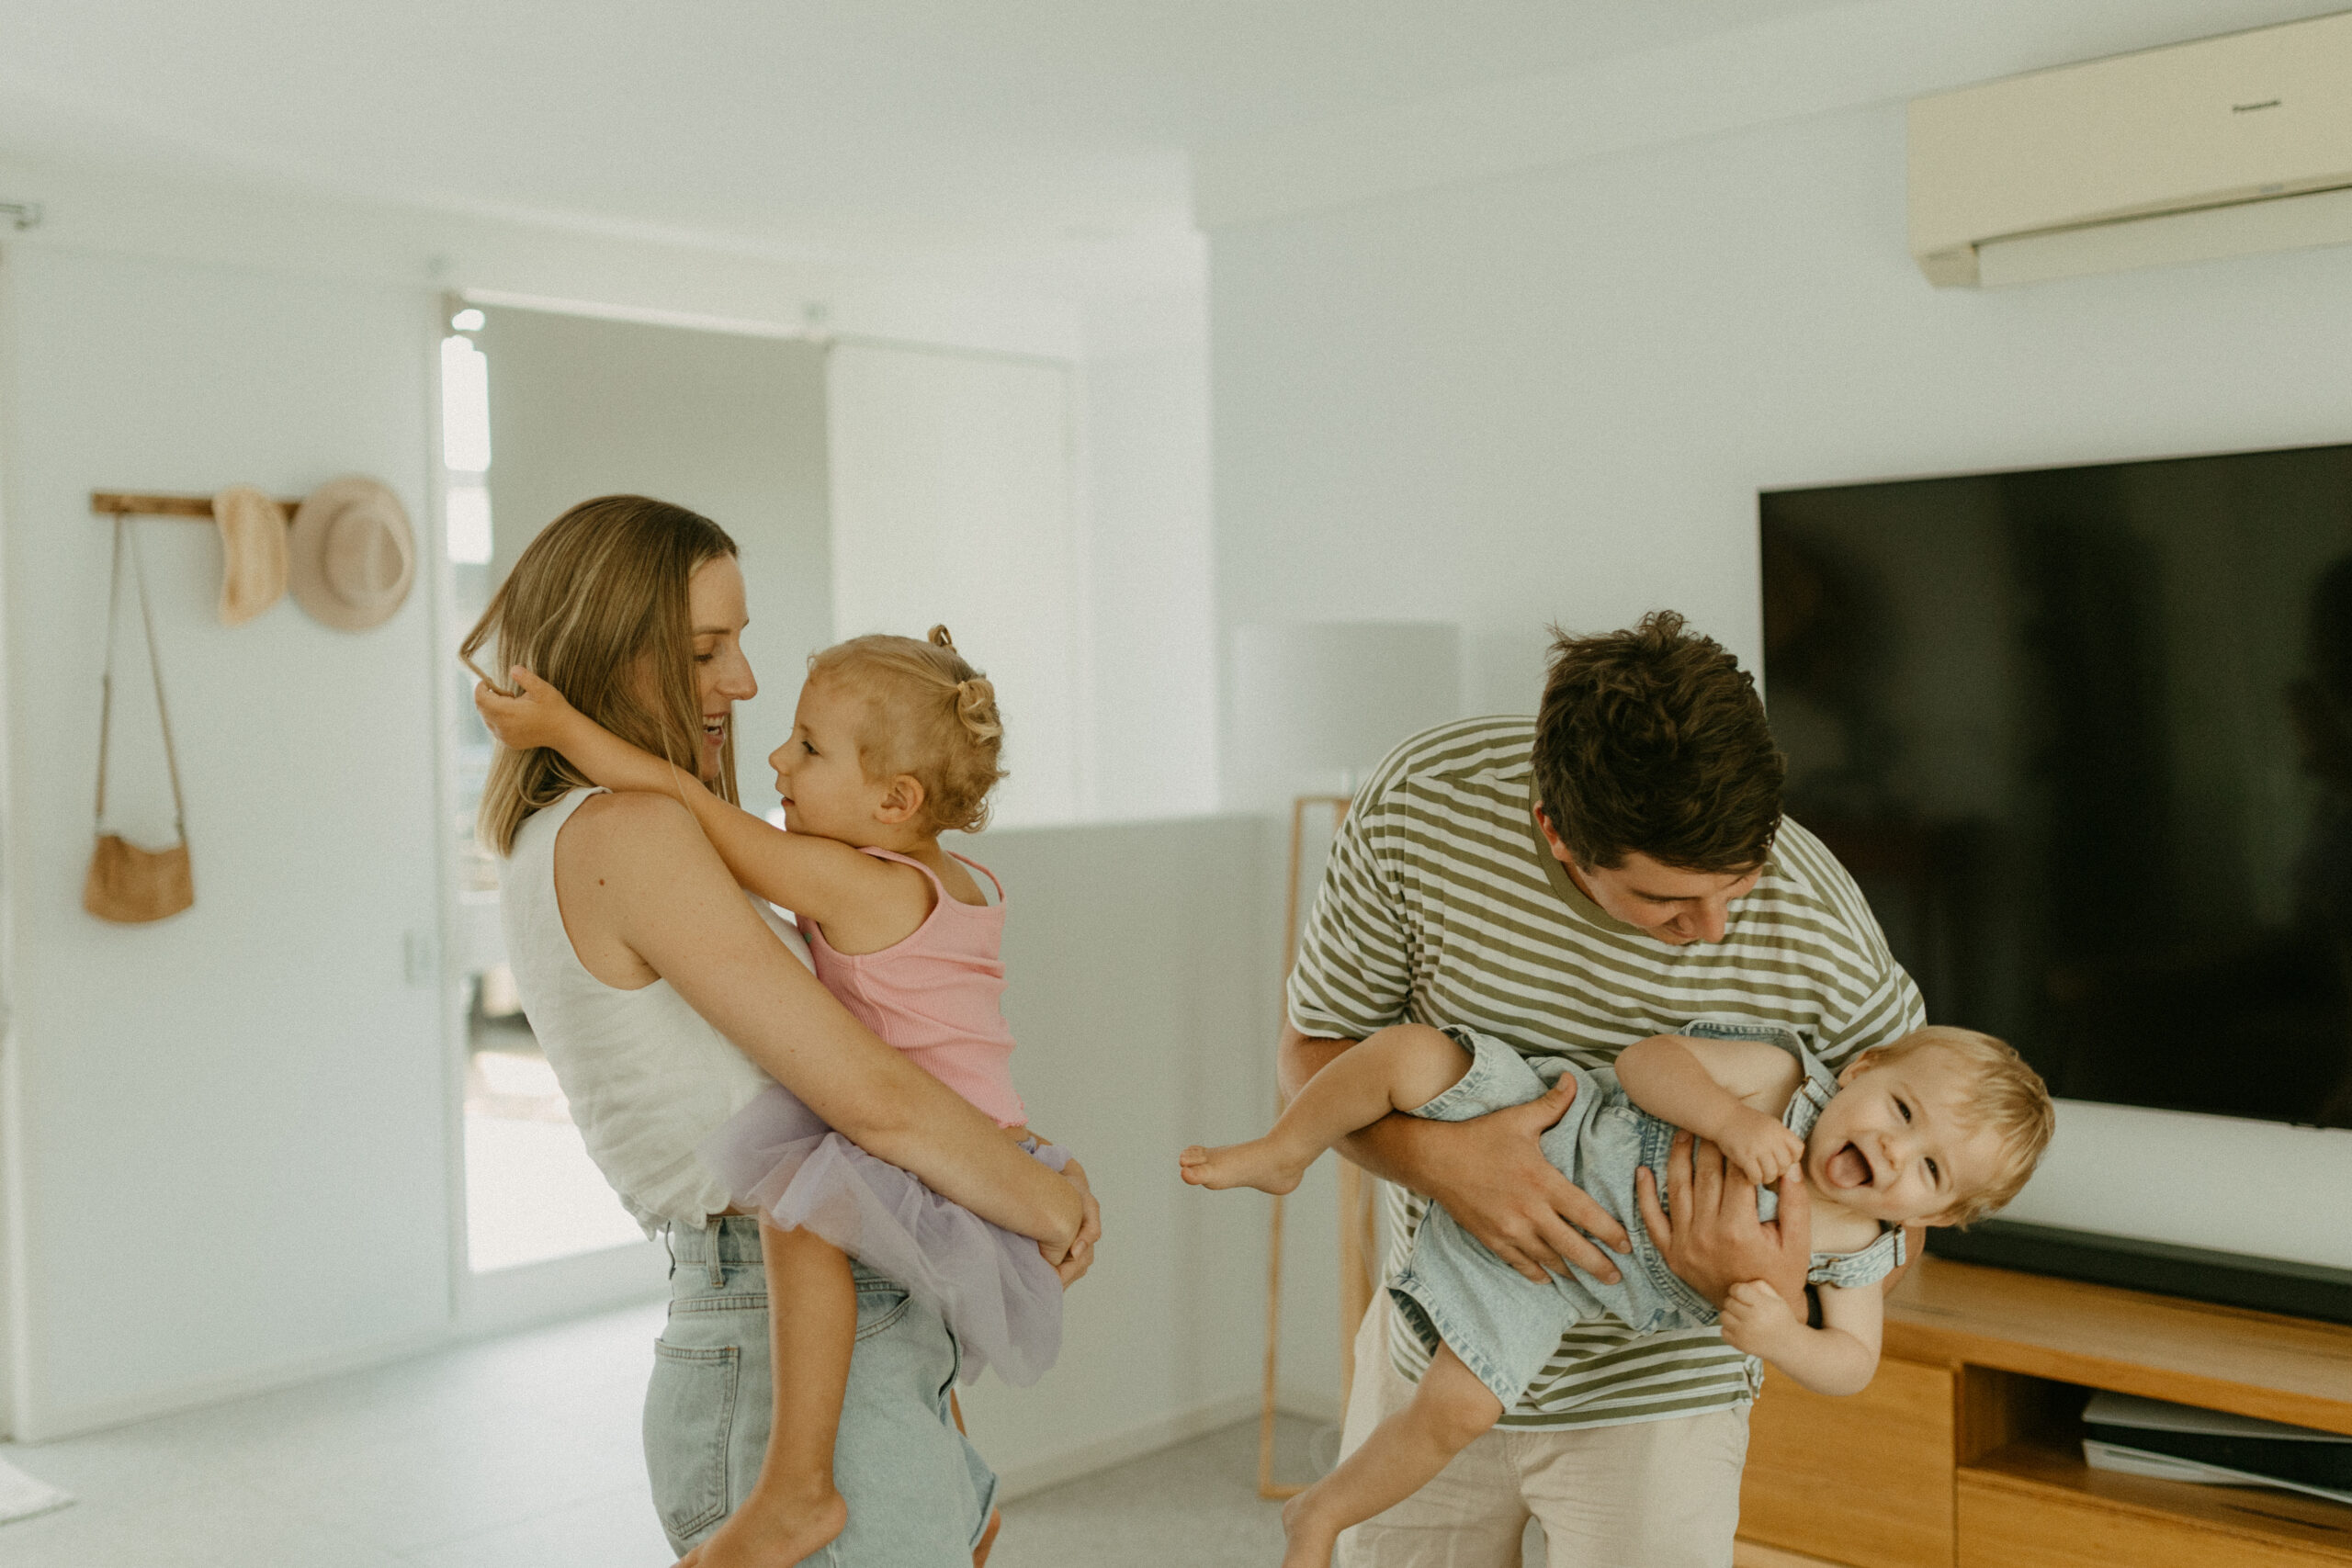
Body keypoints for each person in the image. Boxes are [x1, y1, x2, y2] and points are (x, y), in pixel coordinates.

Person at [465, 496, 1100, 1568]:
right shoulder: (632, 831)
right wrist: (1042, 1195)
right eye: (709, 649)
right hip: (781, 1318)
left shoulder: (601, 834)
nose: (745, 684)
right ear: (615, 654)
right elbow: (867, 1094)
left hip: (840, 1307)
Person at [1281, 610, 1927, 1567]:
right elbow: (1316, 1050)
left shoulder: (1822, 929)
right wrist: (1447, 1164)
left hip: (1662, 1407)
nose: (1710, 932)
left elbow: (1911, 1198)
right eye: (1666, 903)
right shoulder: (1422, 809)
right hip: (1437, 1350)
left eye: (1738, 885)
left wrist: (1777, 1285)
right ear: (1555, 832)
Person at [1185, 1020, 2052, 1565]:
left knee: (1456, 1411)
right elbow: (1648, 1062)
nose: (1896, 1152)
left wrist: (1785, 1334)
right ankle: (1285, 1148)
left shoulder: (1863, 1245)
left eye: (1930, 1168)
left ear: (1940, 1214)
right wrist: (1728, 1119)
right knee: (1410, 1053)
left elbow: (1853, 1363)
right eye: (1900, 1110)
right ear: (1861, 1068)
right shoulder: (1782, 1082)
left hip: (1549, 1279)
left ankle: (1322, 1509)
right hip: (1541, 1121)